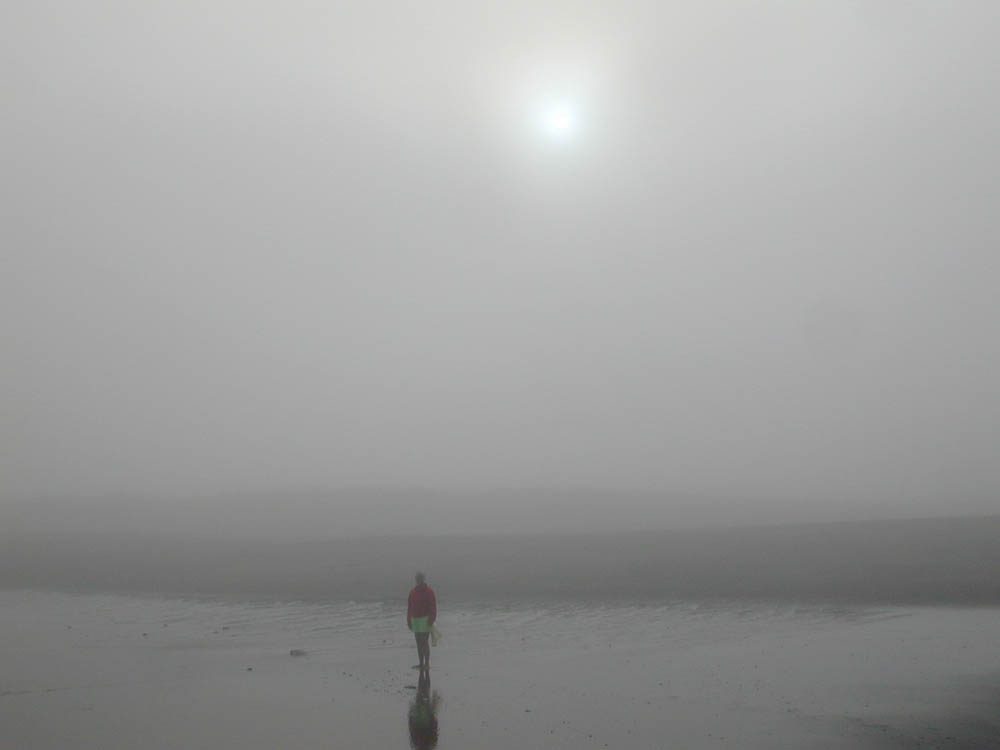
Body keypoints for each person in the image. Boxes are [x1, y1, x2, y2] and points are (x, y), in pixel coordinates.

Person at [407, 572, 437, 671]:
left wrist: (431, 619)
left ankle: (427, 664)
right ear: (416, 580)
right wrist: (409, 620)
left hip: (425, 620)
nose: (419, 580)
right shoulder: (412, 592)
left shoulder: (429, 592)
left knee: (424, 642)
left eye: (420, 578)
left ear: (423, 579)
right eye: (417, 579)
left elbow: (433, 607)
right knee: (418, 643)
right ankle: (421, 663)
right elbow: (409, 607)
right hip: (416, 620)